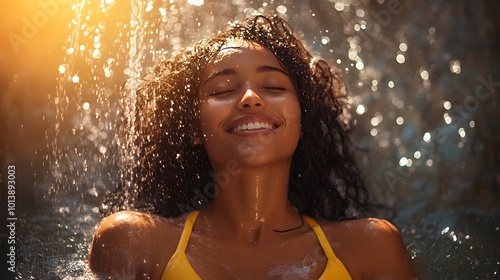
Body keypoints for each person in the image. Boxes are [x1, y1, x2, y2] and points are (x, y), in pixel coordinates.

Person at [88, 14, 415, 279]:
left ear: (302, 120)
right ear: (194, 129)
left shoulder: (371, 248)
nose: (250, 98)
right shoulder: (135, 242)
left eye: (273, 86)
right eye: (223, 90)